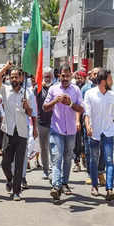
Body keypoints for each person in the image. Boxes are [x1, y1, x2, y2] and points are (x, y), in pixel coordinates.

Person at [0, 62, 35, 201]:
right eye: (11, 77)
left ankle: (16, 191)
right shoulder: (5, 90)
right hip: (8, 131)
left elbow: (31, 113)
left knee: (19, 163)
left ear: (21, 78)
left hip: (22, 132)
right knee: (5, 162)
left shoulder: (28, 93)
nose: (14, 79)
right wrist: (6, 67)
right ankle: (10, 180)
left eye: (16, 77)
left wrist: (26, 106)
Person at [43, 63, 84, 201]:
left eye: (67, 75)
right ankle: (56, 186)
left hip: (71, 131)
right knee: (57, 157)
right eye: (63, 75)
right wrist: (55, 100)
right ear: (59, 76)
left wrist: (70, 103)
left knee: (67, 158)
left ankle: (65, 183)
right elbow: (45, 107)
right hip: (56, 130)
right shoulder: (53, 89)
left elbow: (81, 109)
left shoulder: (76, 90)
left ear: (71, 75)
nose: (65, 78)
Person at [84, 69, 114, 201]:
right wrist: (88, 126)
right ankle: (94, 186)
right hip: (94, 132)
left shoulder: (112, 96)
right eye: (110, 78)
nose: (112, 81)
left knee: (109, 160)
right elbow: (86, 113)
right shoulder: (89, 94)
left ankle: (109, 189)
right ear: (104, 81)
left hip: (108, 132)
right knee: (94, 160)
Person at [36, 67, 54, 180]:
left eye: (49, 76)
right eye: (45, 76)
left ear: (52, 77)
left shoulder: (56, 88)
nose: (47, 78)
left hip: (54, 123)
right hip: (41, 123)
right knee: (43, 148)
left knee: (53, 148)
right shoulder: (38, 88)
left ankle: (53, 170)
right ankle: (45, 170)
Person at [73, 70, 87, 172]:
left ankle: (84, 157)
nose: (79, 80)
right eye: (77, 78)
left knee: (85, 141)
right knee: (76, 142)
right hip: (75, 119)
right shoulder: (73, 89)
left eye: (80, 78)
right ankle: (76, 162)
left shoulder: (88, 89)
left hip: (85, 119)